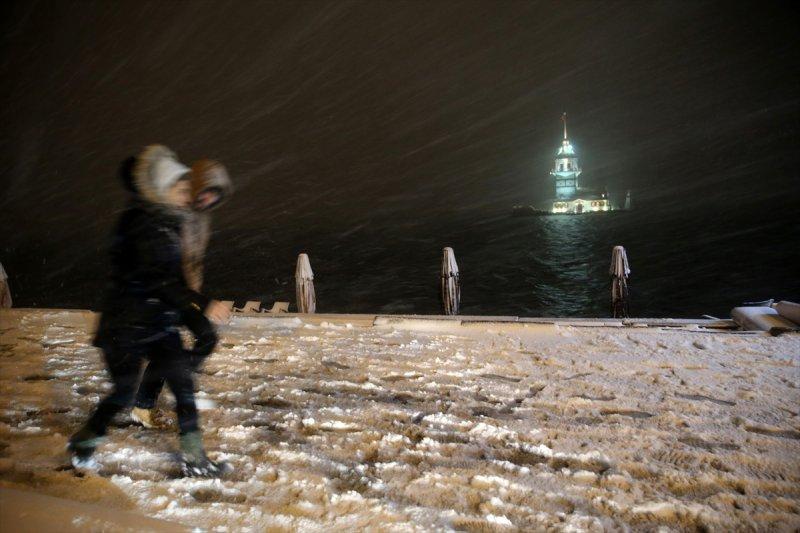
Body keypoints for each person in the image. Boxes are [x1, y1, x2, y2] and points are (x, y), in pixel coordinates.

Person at [68, 145, 231, 477]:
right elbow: (157, 280)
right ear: (162, 189)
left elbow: (173, 281)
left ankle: (195, 457)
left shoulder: (170, 225)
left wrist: (197, 319)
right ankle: (85, 440)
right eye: (182, 189)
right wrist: (202, 304)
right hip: (126, 325)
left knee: (183, 386)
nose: (189, 195)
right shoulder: (139, 223)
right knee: (123, 393)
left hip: (159, 323)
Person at [131, 159, 233, 428]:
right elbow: (164, 270)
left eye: (216, 195)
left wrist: (197, 293)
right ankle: (148, 402)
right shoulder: (173, 217)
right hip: (169, 296)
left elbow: (192, 262)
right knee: (176, 349)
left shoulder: (201, 219)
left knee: (206, 339)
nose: (209, 198)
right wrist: (202, 301)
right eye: (206, 191)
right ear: (195, 188)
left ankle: (173, 381)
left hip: (186, 294)